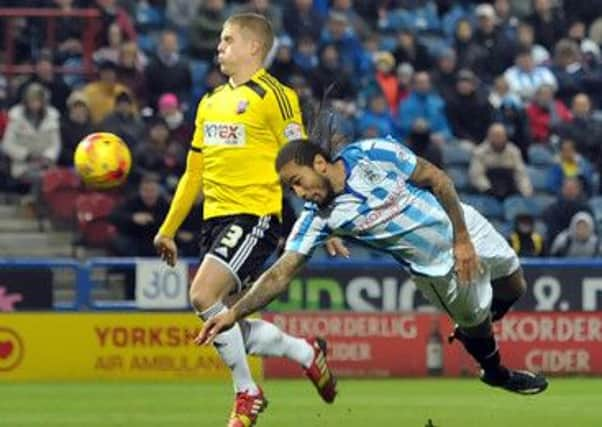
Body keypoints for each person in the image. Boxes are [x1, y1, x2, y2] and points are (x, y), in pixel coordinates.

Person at [197, 136, 550, 396]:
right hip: (437, 269)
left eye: (298, 182)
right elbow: (280, 273)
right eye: (292, 188)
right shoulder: (319, 220)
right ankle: (495, 372)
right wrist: (234, 314)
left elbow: (437, 178)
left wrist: (462, 239)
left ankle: (474, 331)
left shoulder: (373, 152)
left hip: (463, 225)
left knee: (515, 284)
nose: (299, 193)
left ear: (319, 163)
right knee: (477, 322)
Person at [153, 13, 340, 427]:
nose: (219, 47)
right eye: (220, 40)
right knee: (226, 320)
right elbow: (193, 173)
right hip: (214, 221)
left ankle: (247, 392)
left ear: (254, 47)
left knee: (202, 296)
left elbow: (302, 162)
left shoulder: (275, 95)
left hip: (255, 216)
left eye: (227, 39)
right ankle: (305, 353)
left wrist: (322, 216)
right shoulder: (210, 101)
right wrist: (167, 228)